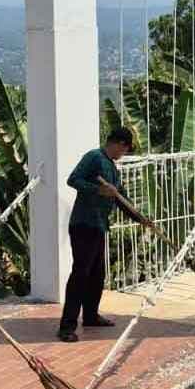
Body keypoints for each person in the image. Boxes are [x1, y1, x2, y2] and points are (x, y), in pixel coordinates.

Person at [57, 126, 140, 342]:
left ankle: (91, 316)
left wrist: (139, 217)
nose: (123, 154)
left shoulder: (112, 168)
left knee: (97, 275)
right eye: (125, 149)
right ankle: (66, 327)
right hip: (83, 224)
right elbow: (73, 179)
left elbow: (120, 197)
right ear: (119, 144)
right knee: (80, 275)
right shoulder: (94, 157)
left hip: (99, 226)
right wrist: (98, 190)